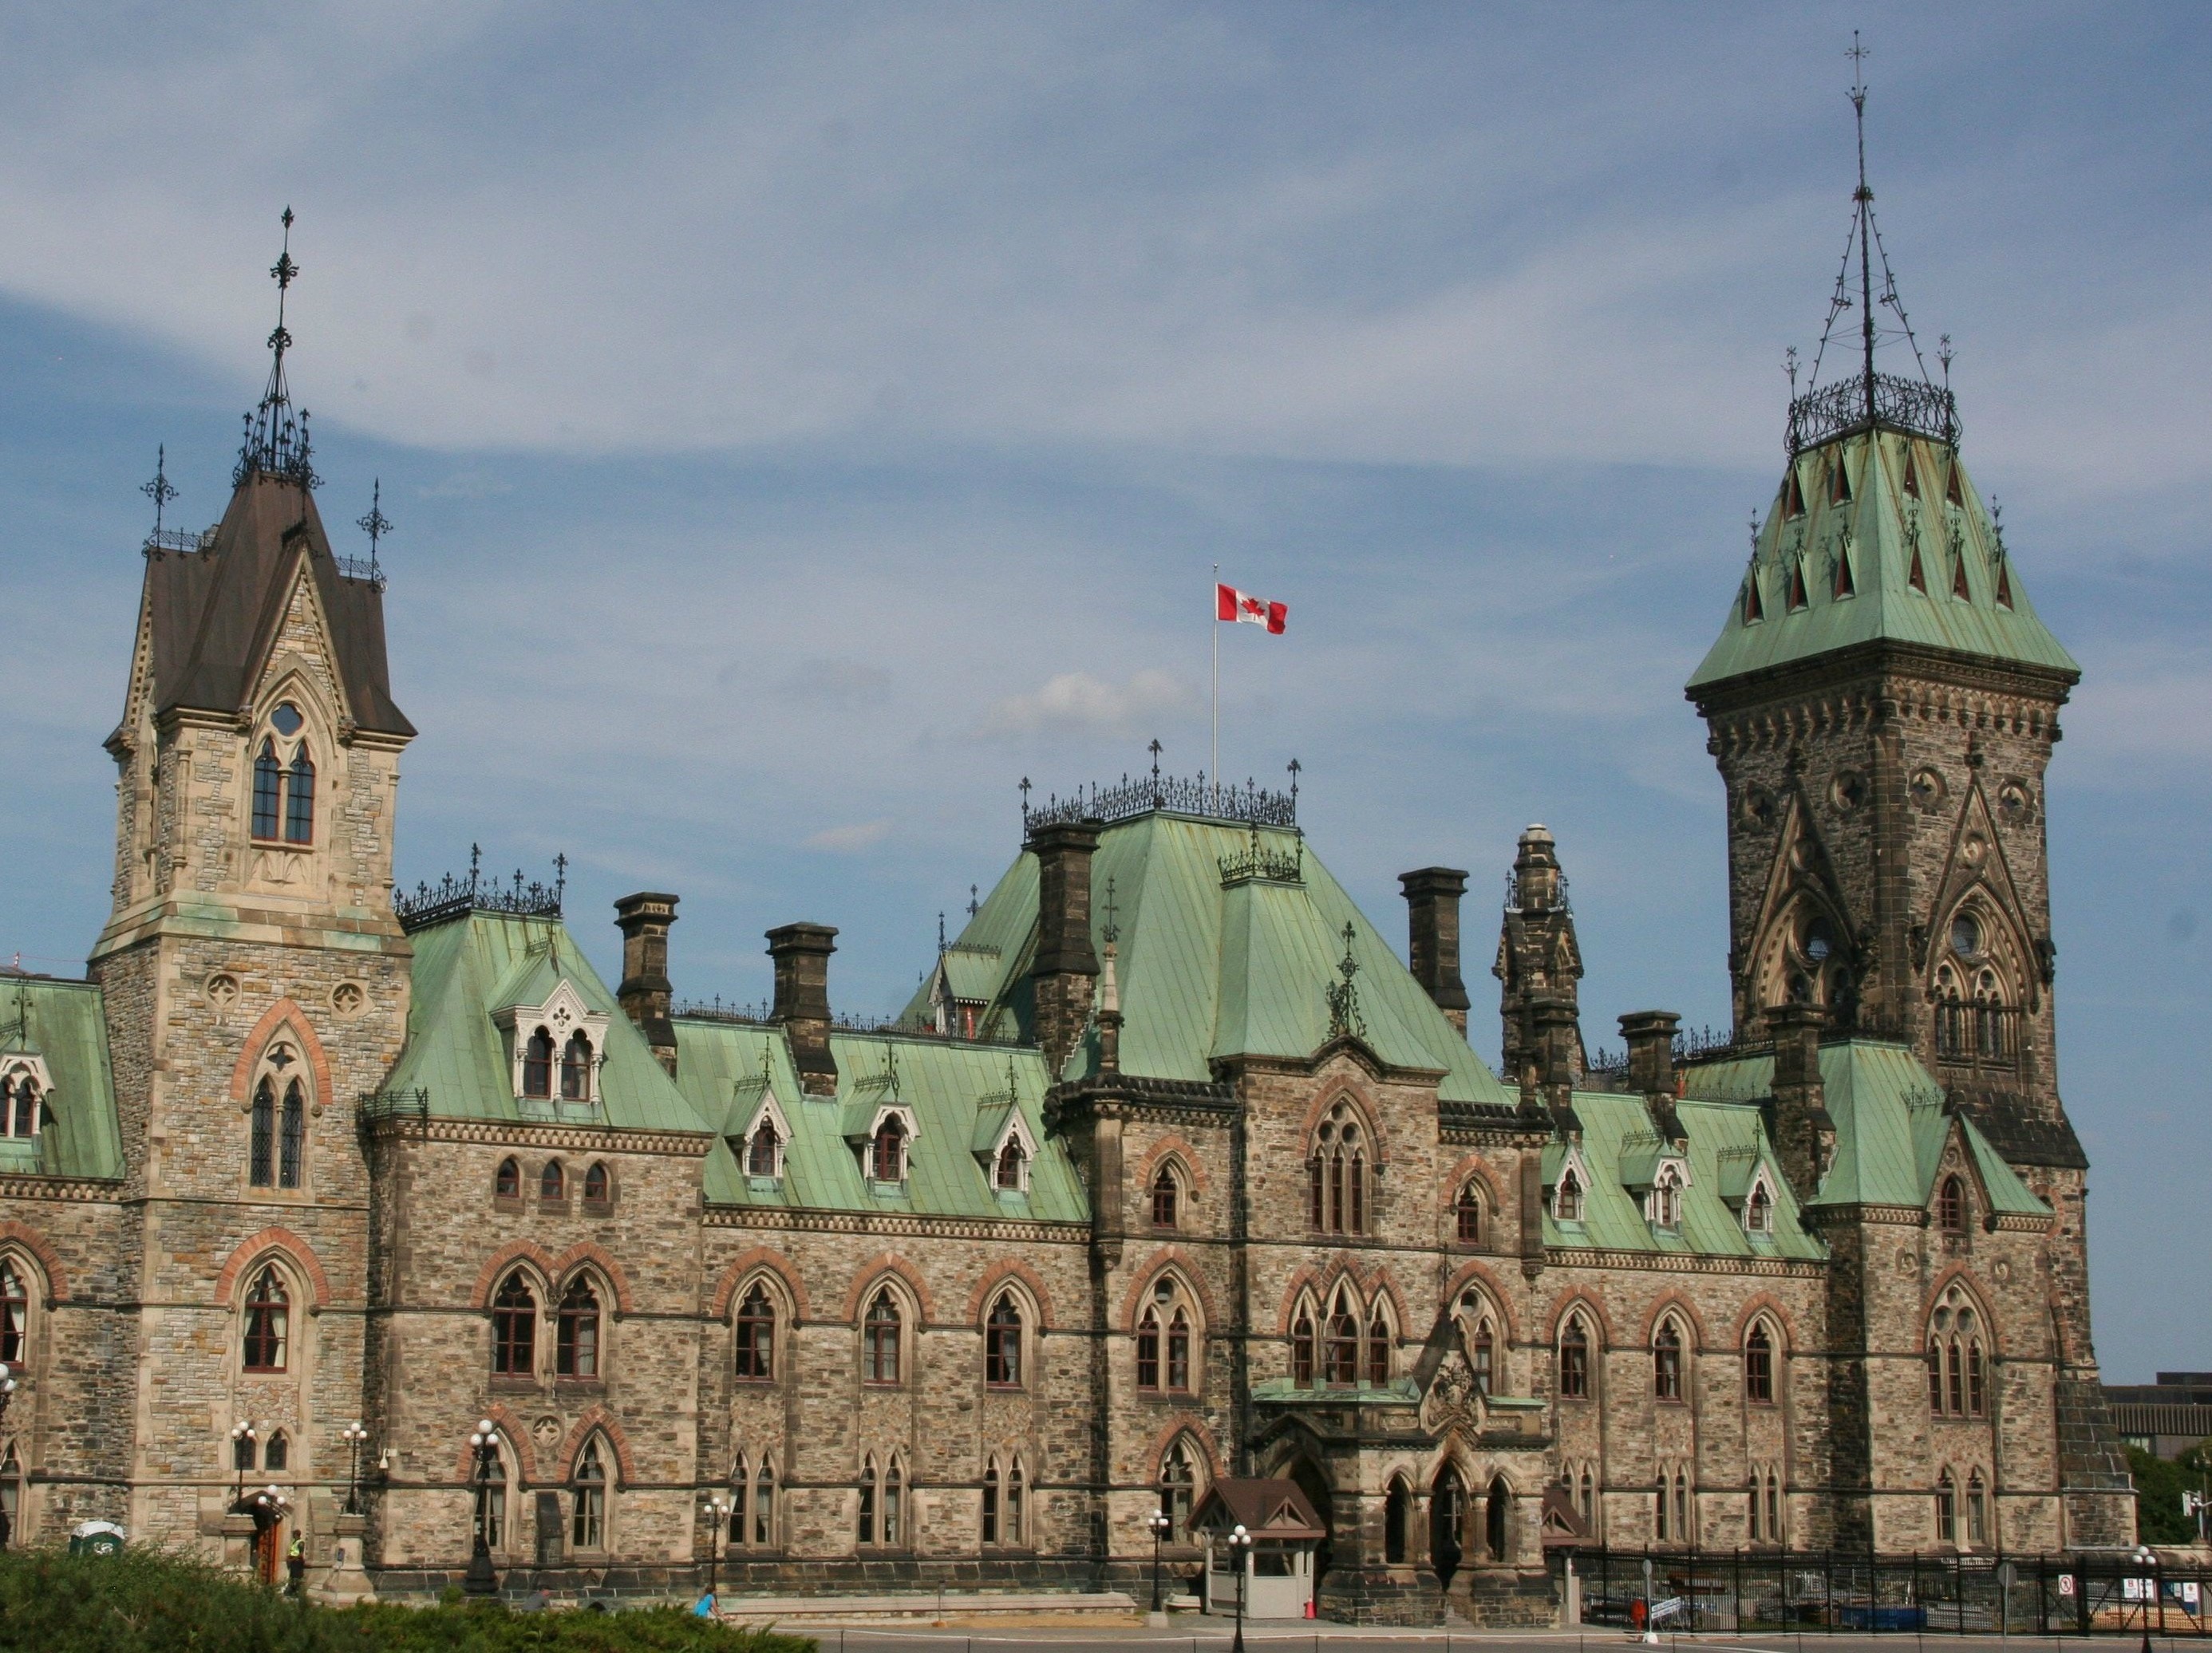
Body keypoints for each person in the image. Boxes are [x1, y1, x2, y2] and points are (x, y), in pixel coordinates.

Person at [286, 1531, 306, 1596]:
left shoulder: (301, 1543)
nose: (293, 1536)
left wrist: (292, 1560)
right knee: (292, 1576)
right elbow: (293, 1551)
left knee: (296, 1577)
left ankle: (296, 1591)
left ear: (297, 1535)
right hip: (293, 1561)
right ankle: (291, 1590)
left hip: (297, 1561)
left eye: (294, 1534)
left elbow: (300, 1554)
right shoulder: (294, 1541)